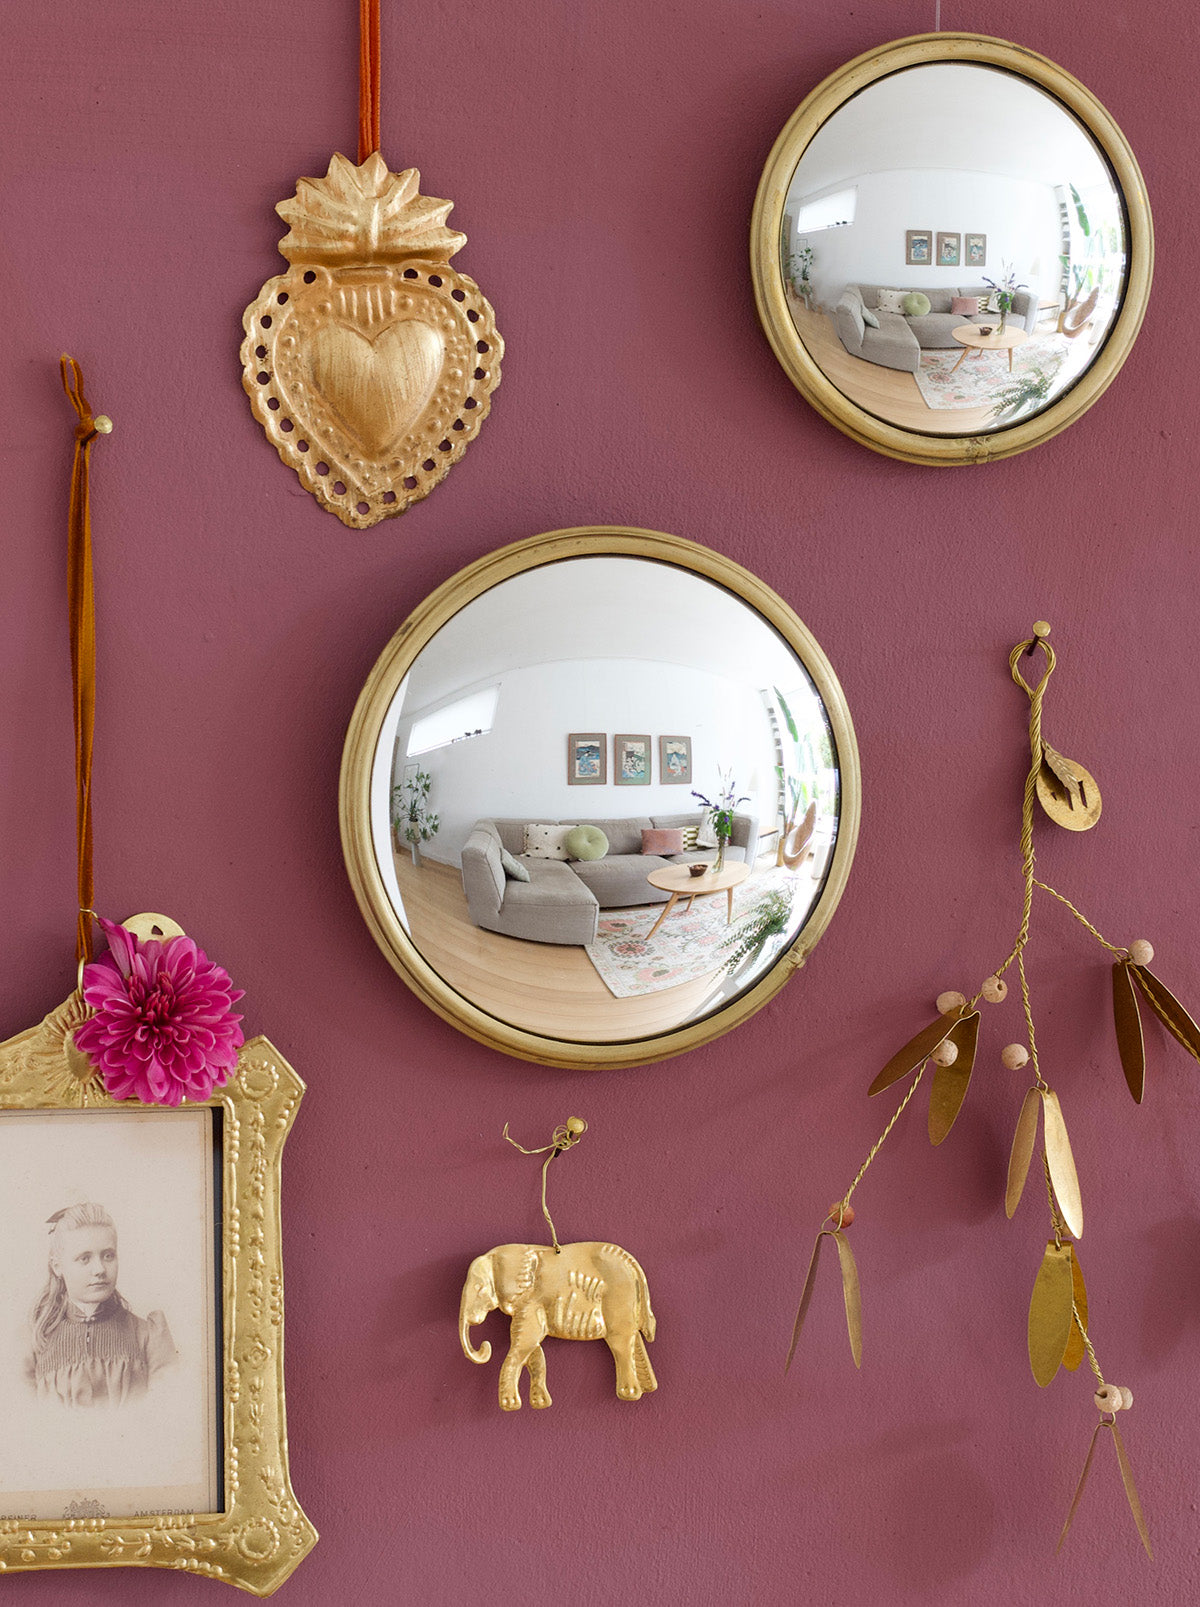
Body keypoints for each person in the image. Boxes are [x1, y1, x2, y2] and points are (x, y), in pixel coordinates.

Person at [24, 1202, 176, 1408]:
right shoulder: (35, 1341)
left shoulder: (149, 1336)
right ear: (58, 1267)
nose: (99, 1269)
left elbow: (167, 1411)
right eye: (84, 1259)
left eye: (108, 1256)